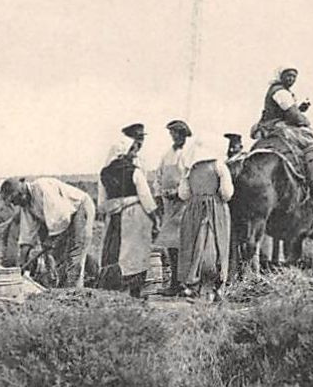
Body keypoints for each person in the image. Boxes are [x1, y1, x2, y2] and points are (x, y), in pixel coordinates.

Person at [0, 176, 95, 289]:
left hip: (79, 207)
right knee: (58, 256)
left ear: (21, 192)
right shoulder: (26, 205)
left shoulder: (42, 188)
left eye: (14, 200)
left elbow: (62, 216)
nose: (15, 204)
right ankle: (62, 288)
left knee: (75, 252)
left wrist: (51, 240)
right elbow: (27, 236)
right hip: (62, 219)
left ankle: (74, 292)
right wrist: (22, 263)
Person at [98, 125, 159, 297]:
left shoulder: (104, 173)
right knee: (134, 255)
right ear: (125, 151)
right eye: (132, 149)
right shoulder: (134, 172)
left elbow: (101, 204)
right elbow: (147, 199)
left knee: (115, 251)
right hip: (135, 216)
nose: (134, 152)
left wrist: (114, 207)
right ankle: (134, 292)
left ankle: (114, 291)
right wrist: (155, 218)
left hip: (115, 217)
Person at [176, 141, 235, 300]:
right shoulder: (219, 166)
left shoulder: (190, 170)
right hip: (215, 208)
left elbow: (183, 194)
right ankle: (215, 286)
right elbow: (227, 193)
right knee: (216, 244)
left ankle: (193, 284)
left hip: (194, 209)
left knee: (193, 244)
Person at [153, 120, 195, 289]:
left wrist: (178, 192)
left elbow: (192, 178)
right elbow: (158, 176)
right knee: (171, 244)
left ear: (184, 135)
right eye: (172, 134)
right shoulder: (166, 155)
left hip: (185, 205)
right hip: (169, 206)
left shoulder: (190, 154)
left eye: (177, 134)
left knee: (185, 243)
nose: (174, 137)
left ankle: (187, 282)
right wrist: (158, 195)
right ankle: (174, 283)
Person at [251, 67, 313, 153]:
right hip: (274, 126)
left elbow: (287, 112)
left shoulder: (281, 90)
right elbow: (293, 115)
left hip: (275, 123)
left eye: (294, 77)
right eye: (288, 75)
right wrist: (305, 122)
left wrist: (300, 110)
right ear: (281, 76)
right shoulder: (280, 92)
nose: (291, 79)